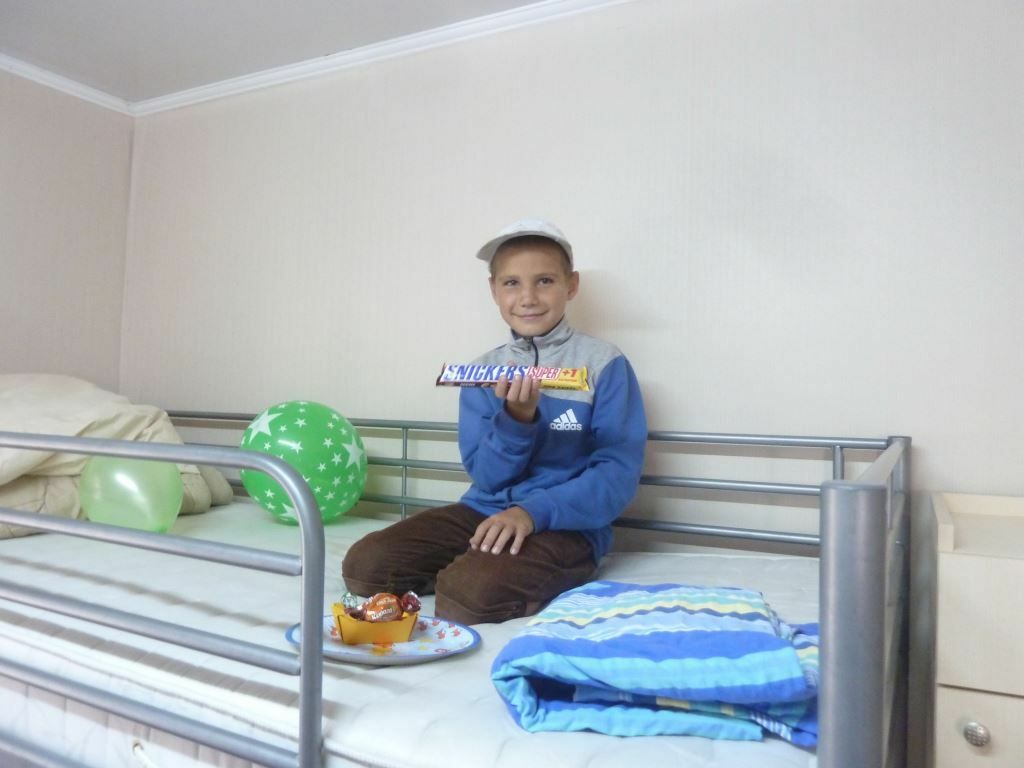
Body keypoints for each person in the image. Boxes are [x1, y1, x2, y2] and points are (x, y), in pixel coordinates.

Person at [342, 219, 647, 624]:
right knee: (365, 567)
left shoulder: (605, 364)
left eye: (544, 281)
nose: (528, 298)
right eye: (511, 283)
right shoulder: (484, 372)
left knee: (467, 597)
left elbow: (616, 475)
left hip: (567, 524)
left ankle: (498, 575)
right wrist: (516, 420)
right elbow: (486, 476)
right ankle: (472, 563)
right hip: (484, 509)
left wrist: (533, 512)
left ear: (571, 285)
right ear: (494, 290)